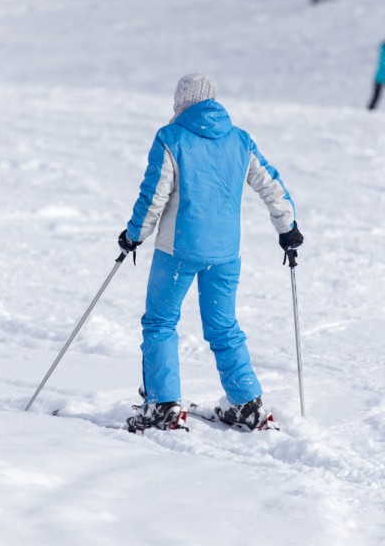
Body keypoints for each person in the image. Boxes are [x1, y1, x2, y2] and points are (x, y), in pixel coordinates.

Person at [118, 73, 304, 433]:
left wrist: (133, 236)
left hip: (178, 250)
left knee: (159, 323)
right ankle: (247, 404)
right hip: (226, 253)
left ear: (181, 103)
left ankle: (163, 406)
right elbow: (272, 185)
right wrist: (288, 228)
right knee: (223, 327)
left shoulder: (171, 137)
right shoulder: (240, 139)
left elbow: (153, 194)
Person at [367, 41, 385, 110]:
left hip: (378, 77)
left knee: (376, 96)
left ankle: (370, 110)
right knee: (376, 96)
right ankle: (370, 110)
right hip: (379, 77)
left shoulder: (382, 48)